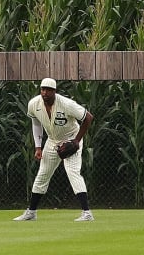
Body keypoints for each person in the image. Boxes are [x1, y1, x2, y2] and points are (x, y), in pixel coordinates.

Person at [13, 77, 95, 222]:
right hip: (52, 141)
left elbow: (88, 117)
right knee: (43, 174)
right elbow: (36, 123)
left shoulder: (66, 104)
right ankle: (31, 212)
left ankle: (87, 213)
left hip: (71, 139)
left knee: (73, 172)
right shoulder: (34, 104)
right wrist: (38, 146)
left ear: (54, 91)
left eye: (48, 90)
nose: (45, 93)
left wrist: (76, 140)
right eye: (43, 89)